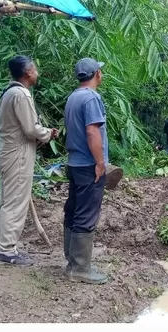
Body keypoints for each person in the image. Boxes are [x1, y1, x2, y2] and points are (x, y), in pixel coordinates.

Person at [0, 55, 57, 265]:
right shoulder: (21, 94)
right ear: (28, 72)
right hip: (17, 154)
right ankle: (7, 251)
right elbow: (30, 128)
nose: (37, 72)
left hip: (6, 151)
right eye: (35, 69)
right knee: (16, 201)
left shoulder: (8, 92)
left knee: (6, 200)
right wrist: (48, 134)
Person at [63, 58, 109, 284]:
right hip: (87, 165)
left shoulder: (73, 97)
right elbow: (92, 132)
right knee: (86, 213)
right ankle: (81, 269)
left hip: (74, 163)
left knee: (73, 210)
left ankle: (73, 262)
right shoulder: (91, 98)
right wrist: (100, 163)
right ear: (96, 73)